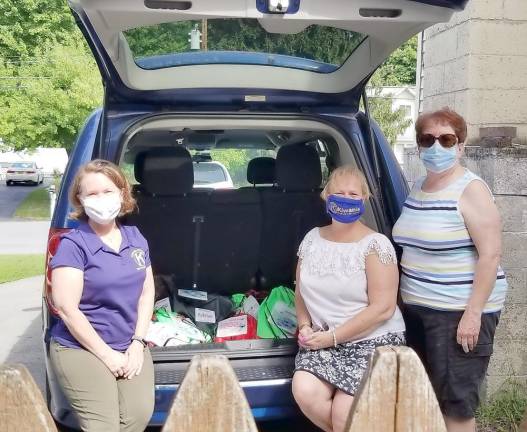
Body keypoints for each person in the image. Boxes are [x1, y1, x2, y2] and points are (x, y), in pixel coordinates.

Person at [392, 108, 508, 432]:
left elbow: (491, 254)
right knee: (426, 396)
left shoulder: (471, 190)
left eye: (446, 139)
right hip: (419, 310)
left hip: (457, 313)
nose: (436, 148)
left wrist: (472, 314)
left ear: (460, 146)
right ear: (418, 145)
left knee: (456, 405)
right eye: (427, 139)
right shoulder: (418, 186)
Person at [292, 165, 406, 432]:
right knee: (304, 390)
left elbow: (384, 308)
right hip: (325, 340)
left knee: (346, 413)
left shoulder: (375, 245)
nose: (346, 198)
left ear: (364, 199)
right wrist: (305, 326)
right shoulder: (312, 239)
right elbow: (299, 291)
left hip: (372, 340)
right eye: (339, 192)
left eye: (353, 194)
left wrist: (333, 337)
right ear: (326, 196)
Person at [49, 160, 155, 432]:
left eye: (108, 191)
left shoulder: (136, 237)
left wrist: (137, 342)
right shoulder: (73, 245)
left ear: (122, 193)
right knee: (103, 427)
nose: (101, 199)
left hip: (128, 343)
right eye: (92, 194)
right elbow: (67, 308)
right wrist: (108, 356)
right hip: (81, 347)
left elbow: (146, 291)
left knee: (136, 418)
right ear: (80, 200)